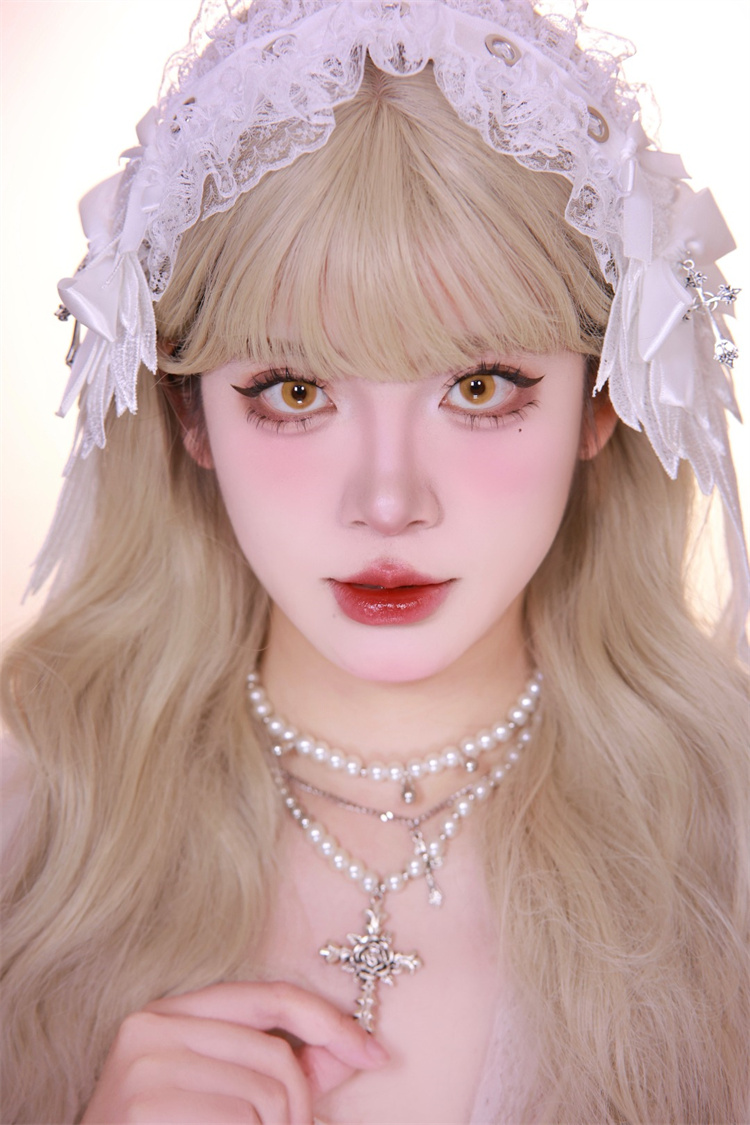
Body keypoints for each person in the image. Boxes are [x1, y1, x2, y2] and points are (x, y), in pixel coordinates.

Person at [1, 1, 748, 1122]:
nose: (388, 502)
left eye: (479, 387)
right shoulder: (28, 834)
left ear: (607, 400)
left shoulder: (731, 843)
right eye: (296, 391)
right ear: (189, 417)